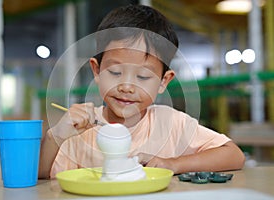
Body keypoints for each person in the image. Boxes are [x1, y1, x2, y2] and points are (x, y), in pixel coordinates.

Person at [38, 4, 245, 179]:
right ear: (97, 70)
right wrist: (55, 135)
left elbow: (234, 155)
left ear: (164, 81)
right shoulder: (80, 130)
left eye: (143, 77)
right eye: (116, 72)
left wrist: (173, 164)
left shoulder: (172, 123)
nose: (127, 87)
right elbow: (40, 177)